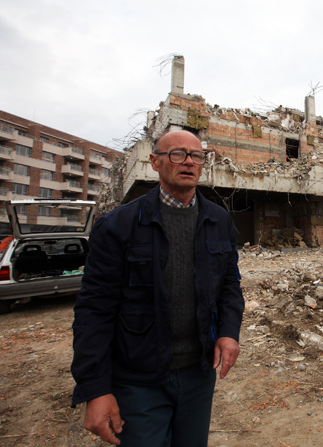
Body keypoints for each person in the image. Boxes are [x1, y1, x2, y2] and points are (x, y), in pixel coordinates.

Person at [71, 130, 245, 446]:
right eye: (177, 154)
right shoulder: (117, 226)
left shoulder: (219, 220)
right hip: (138, 379)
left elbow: (230, 285)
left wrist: (229, 331)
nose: (189, 162)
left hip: (198, 375)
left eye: (197, 155)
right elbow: (94, 312)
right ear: (155, 162)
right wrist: (95, 389)